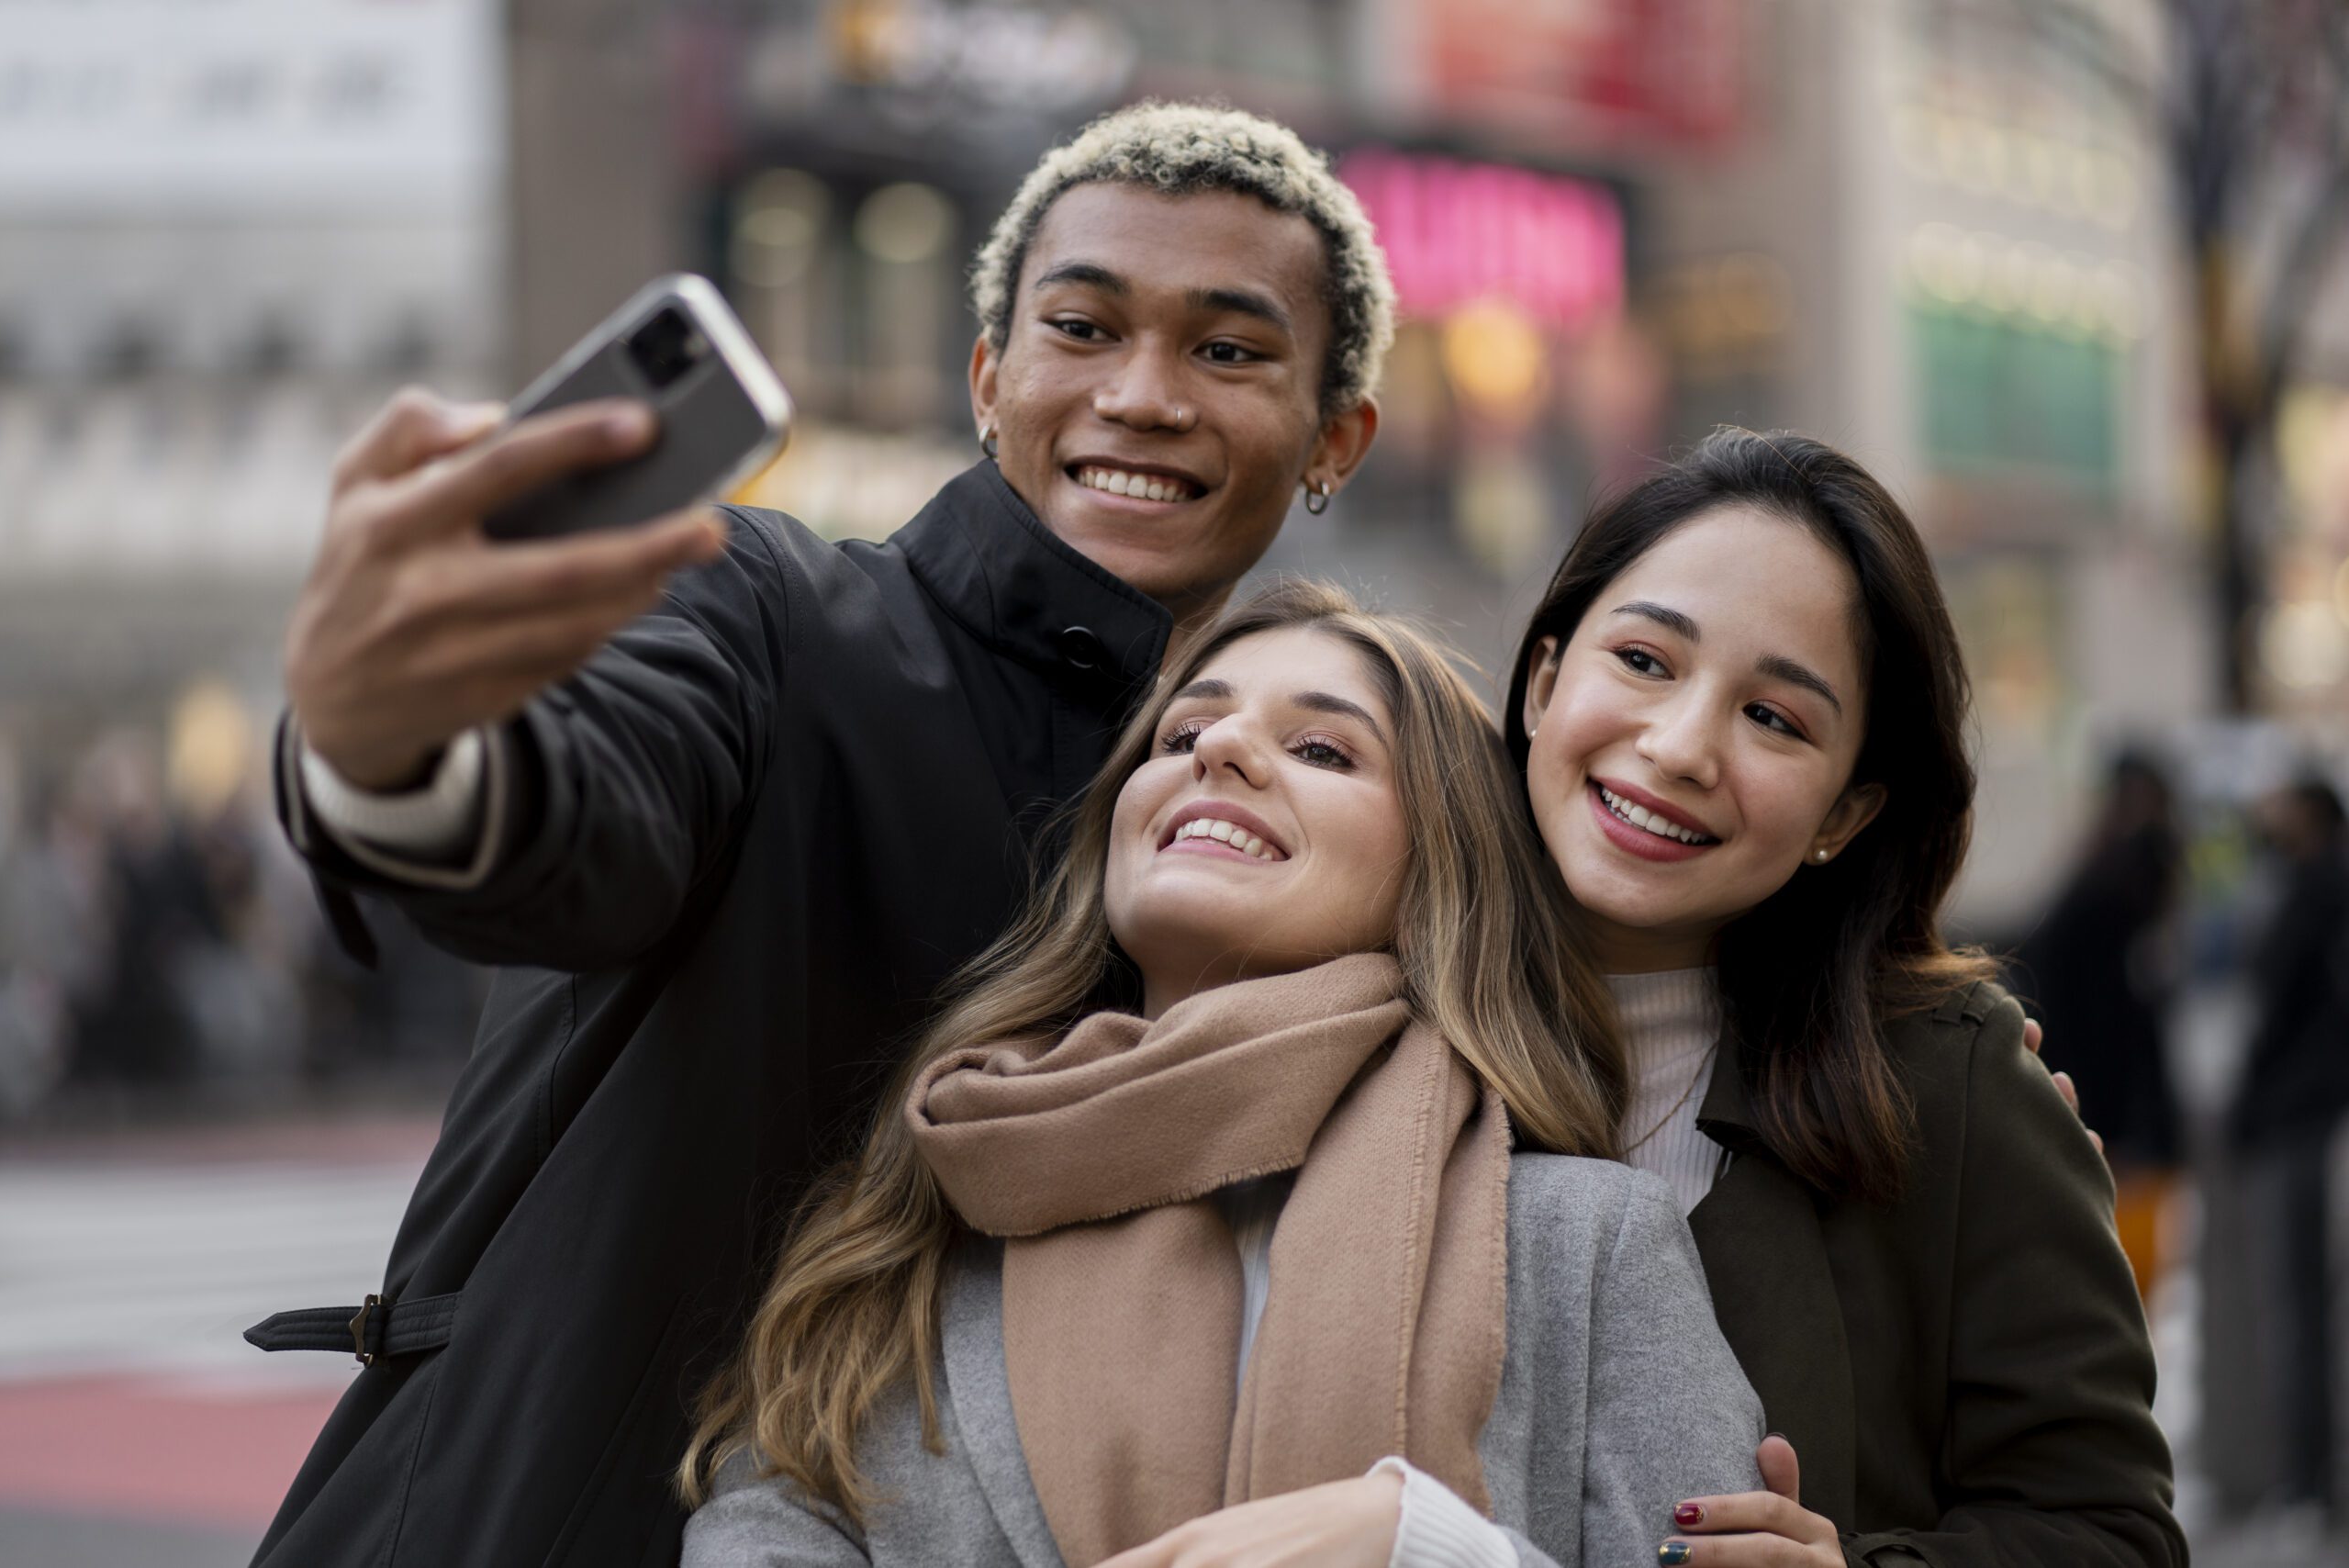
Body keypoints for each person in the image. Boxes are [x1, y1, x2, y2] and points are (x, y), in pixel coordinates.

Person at [245, 103, 1390, 1568]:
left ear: (1333, 441)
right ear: (991, 378)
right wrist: (398, 750)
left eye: (1228, 350)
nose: (1144, 395)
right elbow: (576, 816)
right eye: (1084, 328)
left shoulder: (1308, 815)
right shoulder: (769, 610)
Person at [682, 581, 1765, 1568]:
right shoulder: (907, 1242)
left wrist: (1427, 1549)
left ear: (1439, 873)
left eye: (1324, 752)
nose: (1222, 751)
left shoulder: (1592, 1246)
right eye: (1184, 730)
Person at [1506, 429, 2186, 1566]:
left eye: (1774, 718)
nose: (1678, 747)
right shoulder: (1364, 1016)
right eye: (1643, 660)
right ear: (1541, 680)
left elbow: (2112, 1531)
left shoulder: (1951, 1090)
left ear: (1844, 815)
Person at [2014, 749, 2186, 1296]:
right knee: (2129, 1287)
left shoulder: (2089, 880)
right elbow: (2115, 1026)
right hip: (2116, 1130)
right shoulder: (2118, 889)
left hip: (2102, 1120)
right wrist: (2136, 1126)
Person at [2226, 774, 2349, 1525]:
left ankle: (2307, 1481)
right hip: (2309, 1115)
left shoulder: (2315, 892)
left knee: (2296, 1304)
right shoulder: (2316, 889)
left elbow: (2270, 1004)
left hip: (2300, 1120)